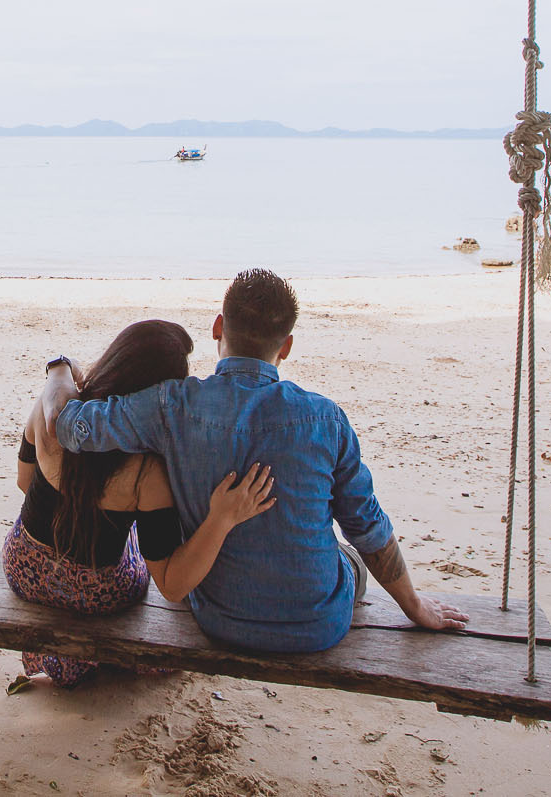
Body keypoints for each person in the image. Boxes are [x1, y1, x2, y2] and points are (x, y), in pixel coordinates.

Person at [34, 269, 468, 654]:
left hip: (220, 619)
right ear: (288, 346)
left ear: (218, 327)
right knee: (348, 555)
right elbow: (367, 524)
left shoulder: (170, 408)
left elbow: (71, 428)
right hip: (317, 626)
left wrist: (58, 371)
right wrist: (414, 606)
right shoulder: (326, 418)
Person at [8, 318, 277, 686]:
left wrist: (60, 369)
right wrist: (222, 519)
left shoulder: (51, 411)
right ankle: (88, 661)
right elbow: (171, 584)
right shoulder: (148, 469)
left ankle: (64, 659)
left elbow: (25, 482)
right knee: (144, 555)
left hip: (23, 567)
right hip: (98, 593)